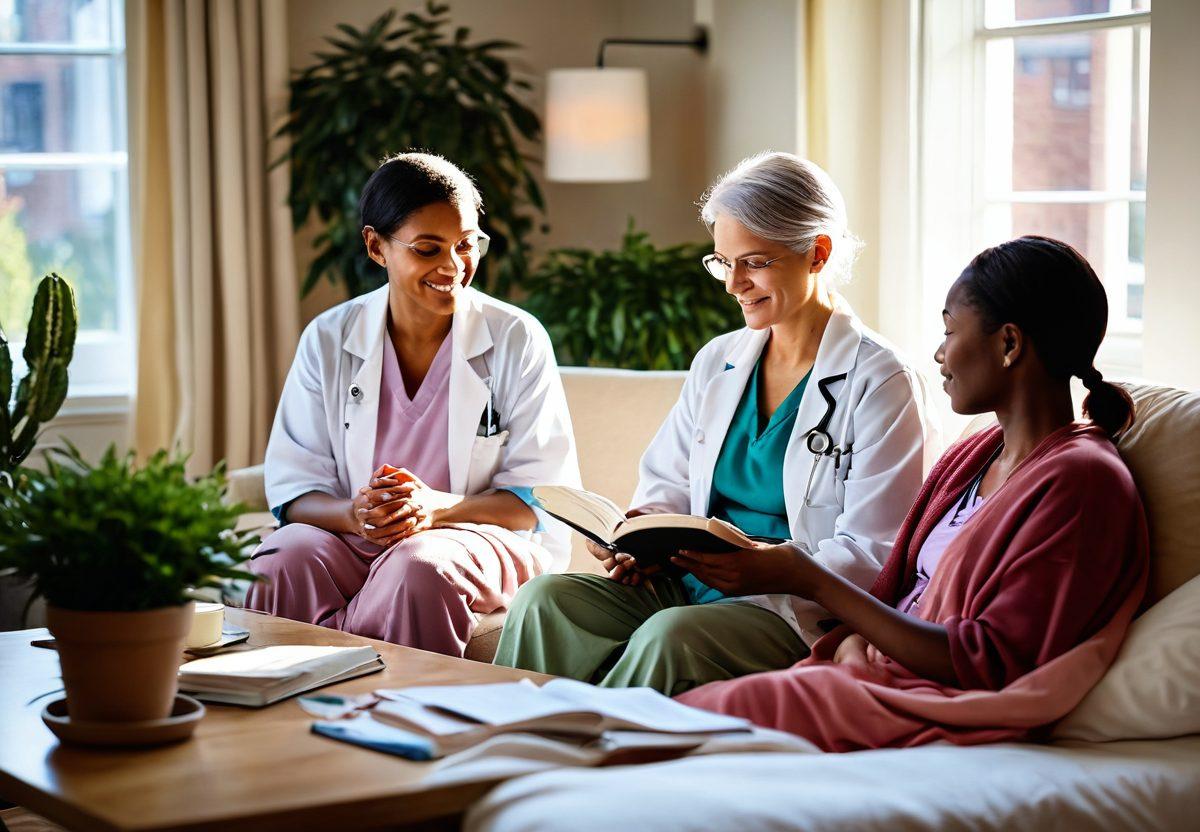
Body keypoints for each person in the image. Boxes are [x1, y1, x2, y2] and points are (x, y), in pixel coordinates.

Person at [675, 235, 1149, 750]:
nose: (940, 354)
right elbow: (902, 594)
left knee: (690, 718)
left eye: (950, 331)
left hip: (927, 693)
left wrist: (807, 576)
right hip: (871, 671)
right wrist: (856, 640)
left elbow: (989, 661)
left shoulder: (1080, 482)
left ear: (1009, 344)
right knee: (673, 719)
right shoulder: (975, 455)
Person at [494, 152, 939, 694]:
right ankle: (512, 742)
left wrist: (766, 567)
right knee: (546, 600)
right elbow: (668, 485)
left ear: (816, 253)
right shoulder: (719, 361)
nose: (733, 284)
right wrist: (638, 541)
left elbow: (876, 551)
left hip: (791, 608)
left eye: (754, 262)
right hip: (687, 584)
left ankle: (598, 766)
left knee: (673, 635)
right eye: (722, 262)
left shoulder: (881, 381)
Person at [246, 152, 580, 656]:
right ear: (376, 246)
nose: (453, 266)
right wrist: (354, 514)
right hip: (353, 539)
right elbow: (294, 491)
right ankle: (288, 717)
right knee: (282, 559)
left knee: (418, 566)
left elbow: (538, 500)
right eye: (428, 249)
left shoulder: (515, 337)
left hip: (476, 537)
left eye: (467, 245)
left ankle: (401, 712)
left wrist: (437, 508)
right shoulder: (330, 338)